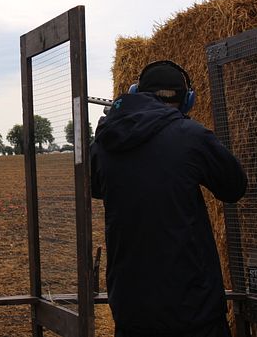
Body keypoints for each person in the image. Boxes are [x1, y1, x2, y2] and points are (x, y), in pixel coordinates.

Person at [90, 60, 246, 337]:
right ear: (187, 100)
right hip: (192, 308)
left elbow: (95, 187)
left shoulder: (105, 140)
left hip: (131, 307)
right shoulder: (192, 136)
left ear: (137, 91)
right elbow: (234, 187)